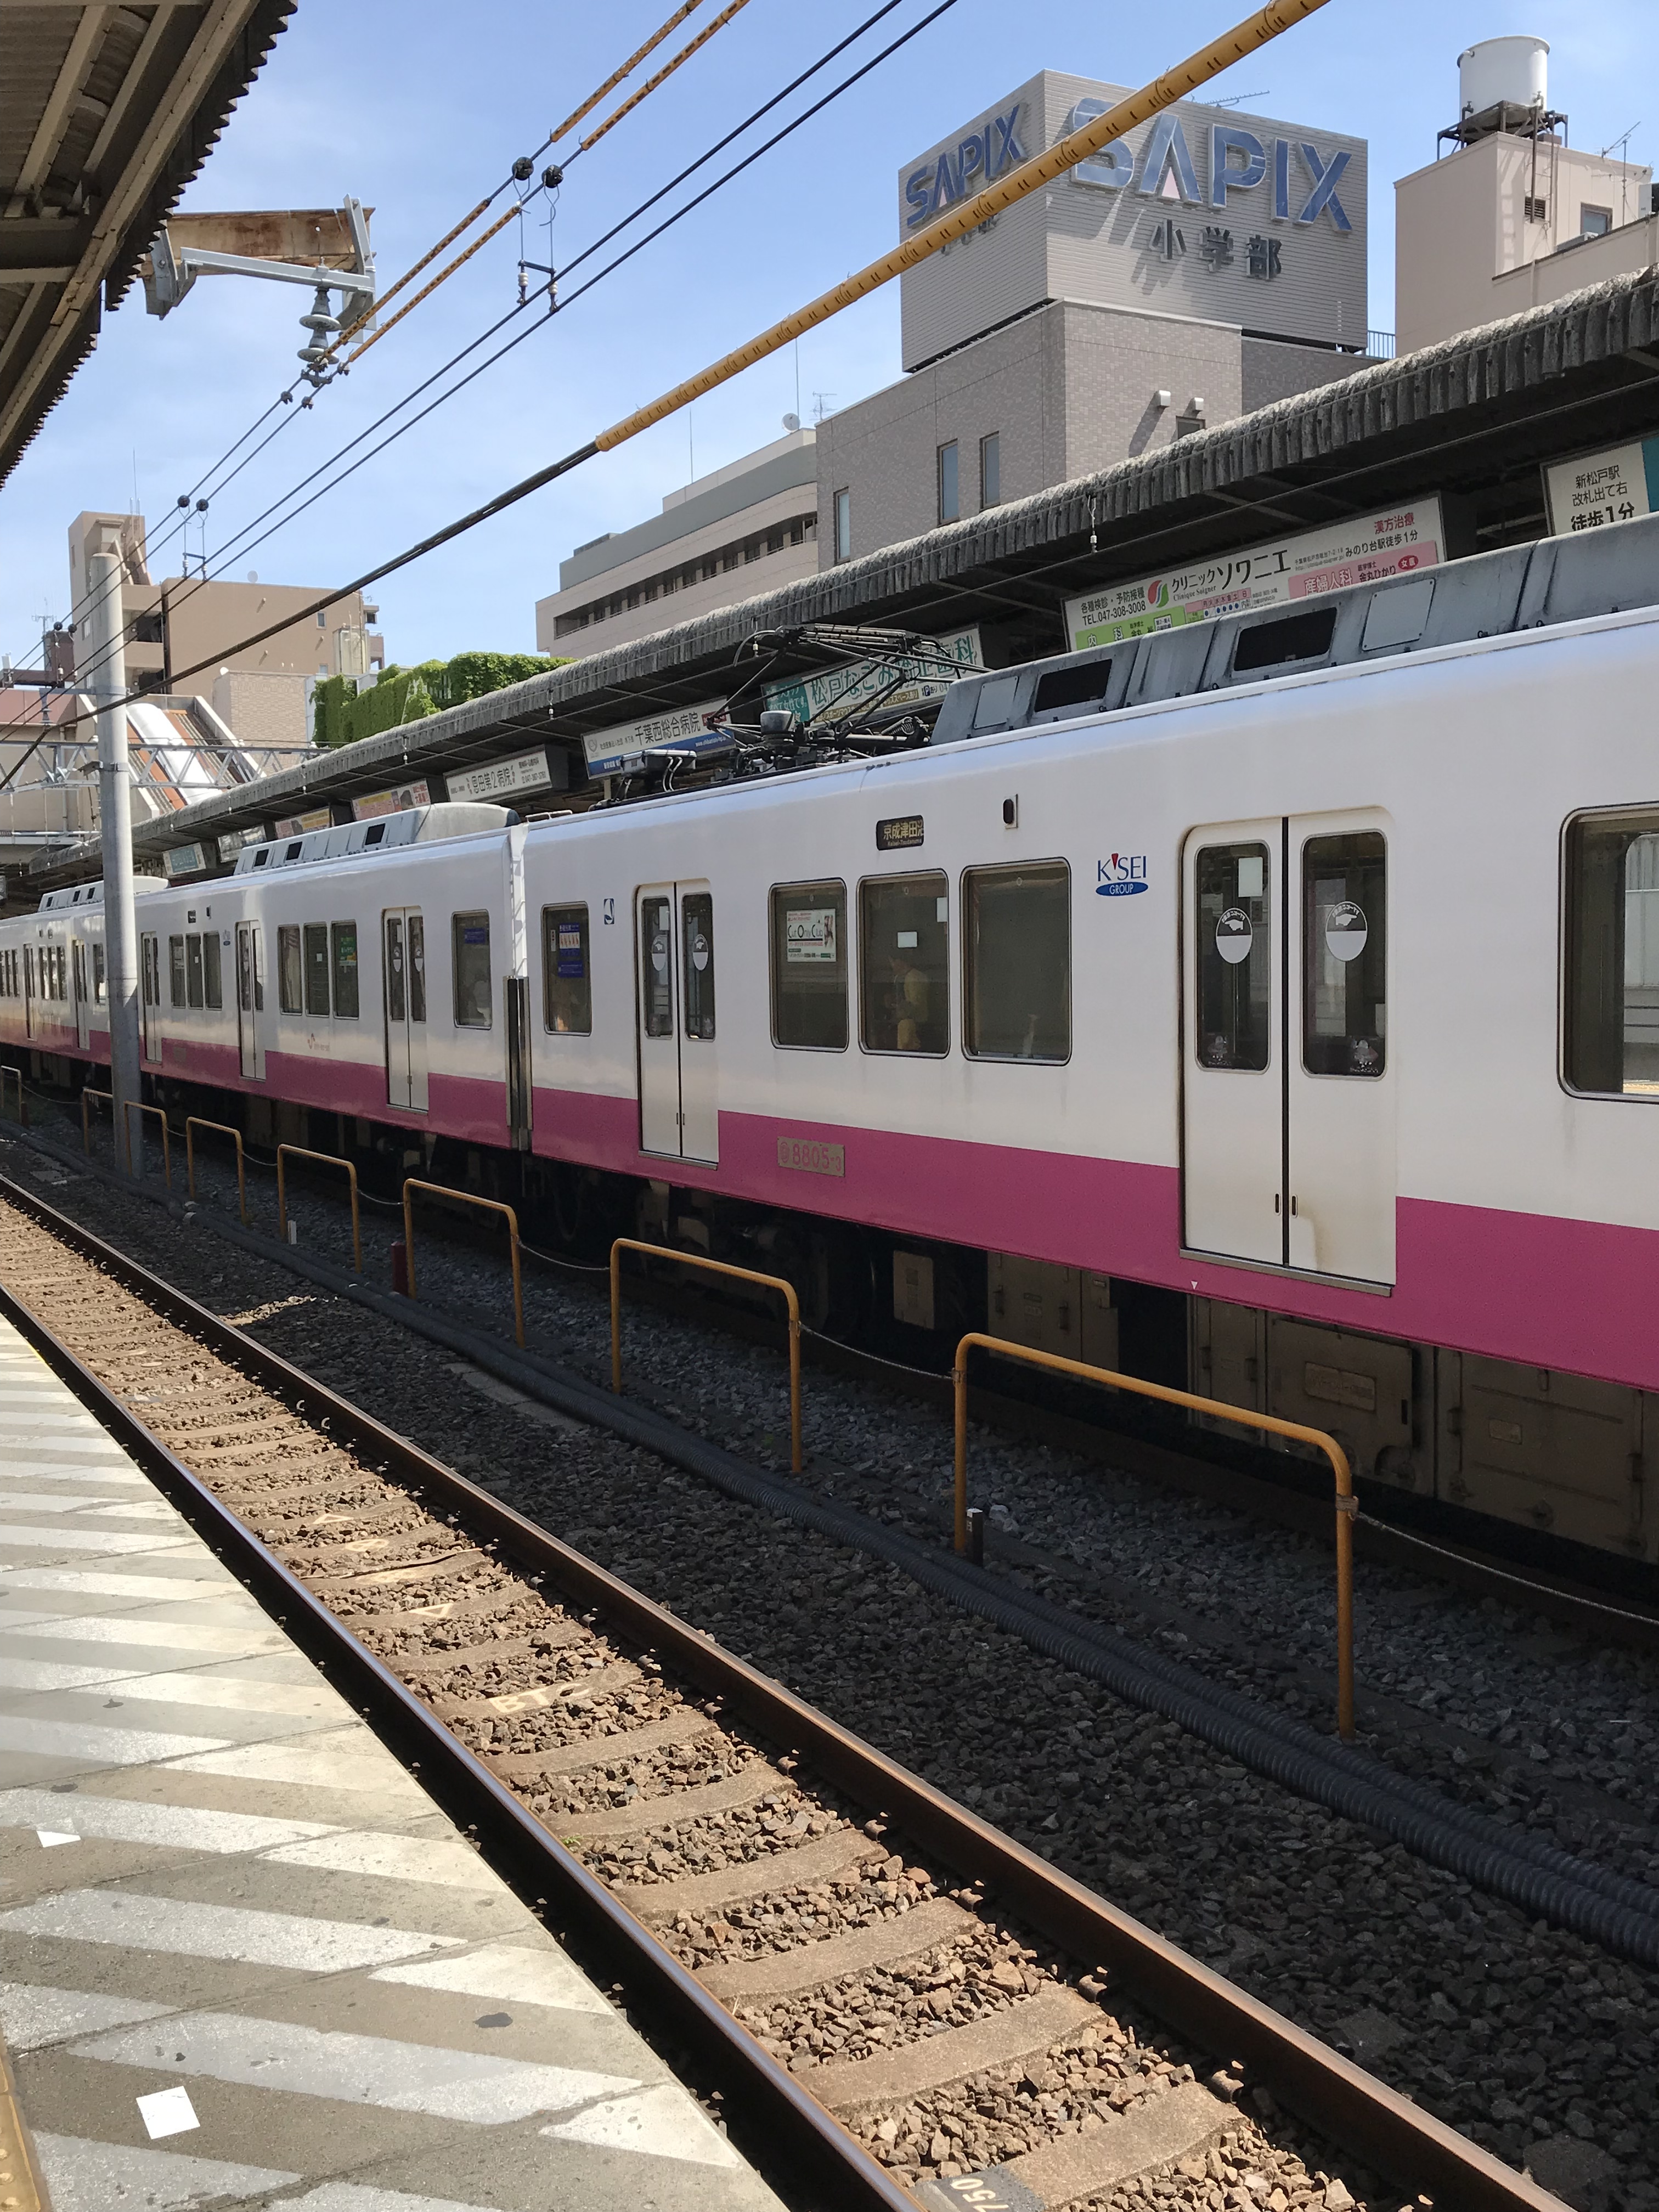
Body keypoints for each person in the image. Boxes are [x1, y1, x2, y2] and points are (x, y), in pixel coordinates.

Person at [887, 948, 929, 1049]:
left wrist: (898, 1007)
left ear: (899, 961)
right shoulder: (906, 977)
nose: (892, 966)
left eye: (892, 962)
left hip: (914, 1029)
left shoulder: (914, 979)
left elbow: (915, 1007)